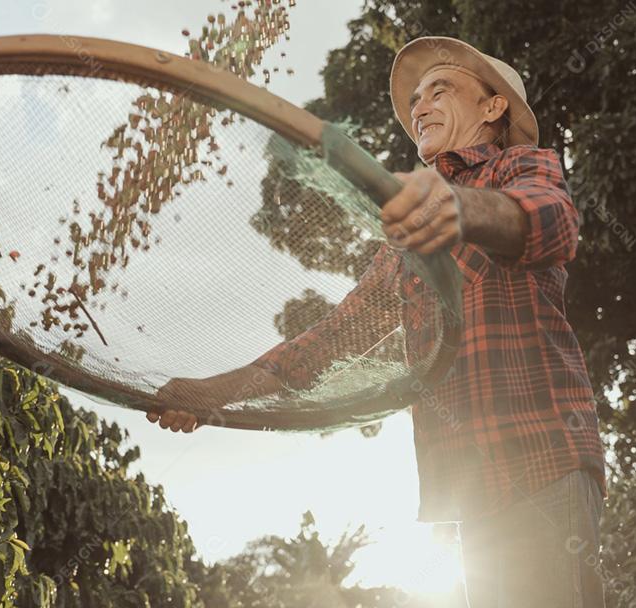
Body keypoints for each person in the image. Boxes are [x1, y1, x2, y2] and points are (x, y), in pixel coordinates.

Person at [148, 36, 607, 607]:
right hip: (472, 495)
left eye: (440, 90)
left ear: (492, 107)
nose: (420, 108)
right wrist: (211, 394)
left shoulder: (518, 167)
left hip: (541, 462)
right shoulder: (406, 244)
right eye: (416, 99)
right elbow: (332, 339)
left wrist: (459, 209)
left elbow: (551, 220)